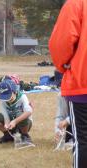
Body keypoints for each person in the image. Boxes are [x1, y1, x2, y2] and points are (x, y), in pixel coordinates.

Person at [49, 0, 87, 167]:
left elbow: (60, 43)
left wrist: (65, 66)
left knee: (83, 141)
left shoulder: (77, 3)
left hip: (82, 81)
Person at [0, 80, 33, 144]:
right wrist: (7, 124)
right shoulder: (3, 100)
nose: (7, 99)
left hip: (25, 124)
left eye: (8, 95)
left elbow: (29, 111)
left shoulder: (23, 97)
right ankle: (7, 135)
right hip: (12, 122)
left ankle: (25, 136)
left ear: (14, 91)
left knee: (21, 115)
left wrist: (15, 121)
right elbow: (5, 116)